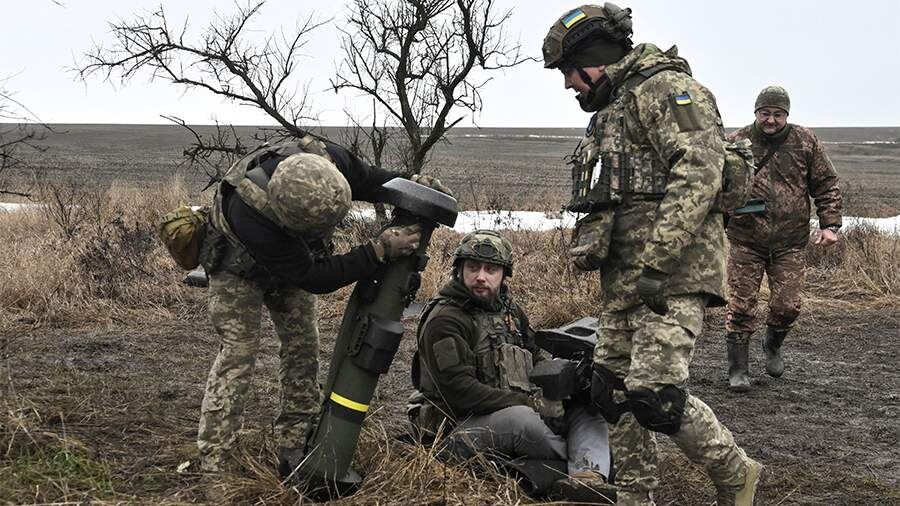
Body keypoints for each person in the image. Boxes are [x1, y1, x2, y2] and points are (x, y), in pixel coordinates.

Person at [543, 4, 763, 505]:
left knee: (653, 393)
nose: (568, 85)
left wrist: (659, 260)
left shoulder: (665, 90)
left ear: (593, 58)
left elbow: (700, 171)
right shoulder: (612, 109)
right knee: (611, 392)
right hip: (624, 280)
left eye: (568, 72)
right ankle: (635, 496)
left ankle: (736, 472)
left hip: (675, 272)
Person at [196, 133, 448, 477]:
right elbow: (314, 276)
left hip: (294, 255)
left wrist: (411, 185)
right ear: (288, 219)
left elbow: (375, 181)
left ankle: (295, 443)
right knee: (238, 356)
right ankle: (216, 465)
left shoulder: (331, 160)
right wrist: (378, 250)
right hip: (237, 269)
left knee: (303, 346)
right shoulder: (250, 211)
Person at [411, 230, 614, 501]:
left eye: (491, 269)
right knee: (522, 420)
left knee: (585, 407)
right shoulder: (446, 320)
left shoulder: (510, 311)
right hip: (456, 428)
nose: (481, 276)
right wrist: (528, 402)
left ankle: (587, 477)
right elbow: (459, 393)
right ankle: (590, 459)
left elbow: (534, 357)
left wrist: (560, 384)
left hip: (509, 411)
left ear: (504, 275)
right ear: (459, 270)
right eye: (472, 267)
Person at [724, 86, 843, 391]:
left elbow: (826, 183)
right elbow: (718, 187)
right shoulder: (737, 143)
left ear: (786, 115)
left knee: (788, 306)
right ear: (756, 113)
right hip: (744, 241)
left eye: (778, 114)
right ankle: (738, 370)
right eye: (765, 113)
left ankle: (772, 344)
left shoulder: (805, 141)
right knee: (740, 306)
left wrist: (830, 225)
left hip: (790, 242)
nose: (771, 120)